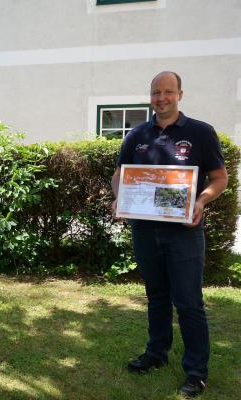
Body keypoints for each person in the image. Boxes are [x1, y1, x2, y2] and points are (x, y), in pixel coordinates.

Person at [111, 72, 228, 398]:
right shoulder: (136, 135)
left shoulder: (200, 133)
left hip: (184, 234)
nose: (161, 98)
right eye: (155, 92)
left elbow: (220, 178)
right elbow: (120, 175)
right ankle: (156, 353)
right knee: (156, 297)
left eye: (167, 92)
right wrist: (119, 196)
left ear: (179, 94)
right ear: (150, 96)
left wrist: (201, 201)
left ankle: (195, 371)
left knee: (189, 303)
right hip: (145, 230)